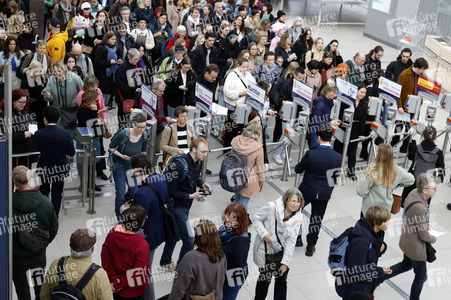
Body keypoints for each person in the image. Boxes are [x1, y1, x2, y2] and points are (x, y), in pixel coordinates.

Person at [374, 174, 438, 300]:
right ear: (425, 190)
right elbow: (424, 235)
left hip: (407, 240)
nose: (436, 190)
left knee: (406, 265)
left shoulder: (414, 192)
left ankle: (379, 277)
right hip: (415, 248)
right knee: (421, 277)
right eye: (434, 188)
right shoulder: (420, 207)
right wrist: (434, 238)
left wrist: (423, 223)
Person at [159, 137, 211, 269]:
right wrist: (190, 195)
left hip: (185, 206)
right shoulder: (179, 166)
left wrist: (202, 183)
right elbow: (171, 193)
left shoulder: (196, 163)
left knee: (175, 236)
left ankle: (165, 261)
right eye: (203, 151)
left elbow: (194, 178)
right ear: (193, 149)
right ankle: (180, 268)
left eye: (206, 152)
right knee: (189, 241)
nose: (205, 155)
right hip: (177, 208)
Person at [12, 165, 58, 300]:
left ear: (15, 182)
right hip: (38, 253)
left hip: (17, 255)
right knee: (40, 284)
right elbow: (54, 228)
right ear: (31, 179)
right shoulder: (45, 202)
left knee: (21, 286)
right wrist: (43, 243)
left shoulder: (7, 204)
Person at [127, 154, 169, 300]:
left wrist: (126, 211)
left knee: (145, 273)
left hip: (147, 237)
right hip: (159, 229)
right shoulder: (160, 179)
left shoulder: (142, 193)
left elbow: (137, 220)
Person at [294, 129, 341, 253]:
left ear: (318, 137)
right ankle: (311, 245)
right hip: (324, 193)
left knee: (295, 212)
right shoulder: (337, 156)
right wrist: (327, 191)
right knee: (316, 219)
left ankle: (297, 238)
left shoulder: (311, 153)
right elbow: (334, 179)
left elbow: (298, 170)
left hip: (307, 190)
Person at [252, 188, 303, 300]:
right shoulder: (271, 207)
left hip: (283, 253)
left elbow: (291, 241)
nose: (295, 204)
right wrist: (264, 234)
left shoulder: (298, 218)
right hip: (266, 251)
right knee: (265, 280)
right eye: (292, 201)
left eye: (298, 201)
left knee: (281, 281)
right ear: (286, 200)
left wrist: (285, 263)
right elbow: (256, 218)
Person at [335, 205, 392, 300]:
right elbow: (356, 271)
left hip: (364, 283)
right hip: (354, 288)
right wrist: (379, 271)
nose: (389, 223)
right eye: (386, 221)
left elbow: (371, 255)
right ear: (375, 222)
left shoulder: (376, 233)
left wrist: (383, 247)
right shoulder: (362, 243)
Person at [40, 228, 113, 299]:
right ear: (92, 249)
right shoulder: (99, 274)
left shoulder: (56, 264)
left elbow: (44, 295)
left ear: (70, 247)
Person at [167, 219, 227, 300]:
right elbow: (221, 281)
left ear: (198, 236)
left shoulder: (191, 258)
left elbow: (178, 289)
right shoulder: (221, 256)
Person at [102, 205, 151, 299]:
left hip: (113, 285)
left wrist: (114, 279)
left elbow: (105, 257)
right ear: (141, 223)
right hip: (133, 291)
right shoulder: (142, 245)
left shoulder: (113, 232)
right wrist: (120, 284)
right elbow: (138, 273)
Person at [35, 106, 76, 217]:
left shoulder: (39, 134)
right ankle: (54, 217)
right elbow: (71, 152)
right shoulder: (65, 134)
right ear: (58, 118)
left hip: (44, 168)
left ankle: (44, 215)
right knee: (57, 194)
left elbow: (37, 149)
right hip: (59, 168)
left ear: (45, 118)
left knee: (43, 193)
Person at [357, 144, 415, 217]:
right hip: (385, 210)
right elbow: (411, 180)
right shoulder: (397, 170)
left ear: (379, 154)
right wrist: (397, 184)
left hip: (369, 209)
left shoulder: (372, 169)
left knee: (364, 228)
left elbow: (361, 191)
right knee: (381, 228)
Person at [108, 113, 148, 219]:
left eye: (144, 127)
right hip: (119, 166)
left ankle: (128, 205)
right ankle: (119, 216)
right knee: (120, 193)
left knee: (134, 191)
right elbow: (111, 148)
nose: (142, 129)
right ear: (134, 125)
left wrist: (143, 166)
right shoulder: (124, 134)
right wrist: (122, 155)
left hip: (133, 167)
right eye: (140, 127)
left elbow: (143, 152)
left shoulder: (144, 135)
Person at [391, 58, 429, 153]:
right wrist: (399, 105)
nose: (423, 71)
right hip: (404, 105)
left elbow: (424, 89)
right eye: (423, 69)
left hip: (415, 106)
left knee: (411, 128)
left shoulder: (422, 76)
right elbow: (397, 91)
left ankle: (404, 147)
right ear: (418, 67)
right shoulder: (404, 74)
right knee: (399, 127)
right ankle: (394, 143)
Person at [402, 126, 445, 205]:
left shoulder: (417, 148)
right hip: (428, 183)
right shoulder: (438, 152)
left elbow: (410, 157)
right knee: (424, 205)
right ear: (434, 137)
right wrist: (437, 183)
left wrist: (413, 143)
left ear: (423, 135)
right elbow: (441, 168)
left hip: (414, 180)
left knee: (409, 205)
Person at [332, 83, 367, 179]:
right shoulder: (346, 101)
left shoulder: (364, 103)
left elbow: (363, 119)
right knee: (338, 149)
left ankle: (351, 171)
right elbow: (339, 112)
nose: (363, 94)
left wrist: (361, 133)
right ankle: (335, 170)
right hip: (343, 126)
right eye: (361, 92)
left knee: (352, 151)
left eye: (364, 93)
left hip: (355, 128)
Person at [42, 60, 84, 137]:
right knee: (59, 135)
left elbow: (83, 91)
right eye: (55, 71)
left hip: (72, 111)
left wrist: (76, 101)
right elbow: (49, 96)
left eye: (59, 71)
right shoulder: (52, 79)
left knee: (69, 135)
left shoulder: (74, 78)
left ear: (64, 70)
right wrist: (47, 96)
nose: (57, 73)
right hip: (59, 111)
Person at [272, 66, 305, 164]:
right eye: (299, 78)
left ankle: (283, 151)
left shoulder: (301, 85)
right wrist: (292, 102)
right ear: (294, 75)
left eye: (302, 78)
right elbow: (280, 100)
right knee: (285, 134)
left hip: (296, 113)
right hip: (286, 112)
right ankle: (277, 153)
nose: (301, 80)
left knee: (291, 134)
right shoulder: (286, 85)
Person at [231, 120, 265, 209]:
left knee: (236, 201)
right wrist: (261, 182)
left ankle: (229, 219)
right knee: (242, 206)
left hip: (235, 175)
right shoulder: (258, 147)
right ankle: (237, 222)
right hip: (248, 179)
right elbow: (260, 169)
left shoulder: (236, 140)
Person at [220, 203, 251, 300]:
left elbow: (238, 268)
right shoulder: (224, 229)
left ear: (240, 220)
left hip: (231, 281)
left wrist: (220, 279)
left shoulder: (241, 241)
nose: (228, 219)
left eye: (233, 218)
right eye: (227, 215)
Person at [223, 57, 255, 149]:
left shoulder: (249, 75)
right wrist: (240, 94)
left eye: (247, 67)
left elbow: (254, 86)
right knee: (231, 129)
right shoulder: (231, 76)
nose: (245, 69)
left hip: (245, 107)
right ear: (238, 65)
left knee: (241, 129)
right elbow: (227, 92)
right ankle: (227, 149)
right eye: (243, 67)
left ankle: (236, 148)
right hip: (233, 107)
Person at [0, 89, 37, 168]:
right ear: (13, 101)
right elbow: (7, 135)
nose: (23, 104)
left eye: (25, 102)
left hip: (29, 152)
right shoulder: (6, 115)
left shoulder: (25, 112)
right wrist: (23, 135)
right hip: (16, 154)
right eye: (21, 102)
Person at [115, 48, 143, 118]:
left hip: (135, 97)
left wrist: (141, 86)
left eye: (138, 59)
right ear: (129, 57)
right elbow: (120, 84)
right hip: (124, 97)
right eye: (135, 59)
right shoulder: (122, 68)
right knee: (123, 119)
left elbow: (141, 78)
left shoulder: (137, 65)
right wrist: (133, 89)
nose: (137, 61)